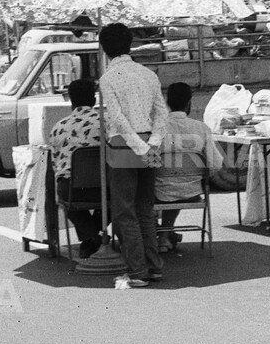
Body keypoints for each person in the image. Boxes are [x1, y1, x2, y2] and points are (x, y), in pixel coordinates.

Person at [98, 23, 168, 287]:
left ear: (104, 49)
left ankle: (138, 271)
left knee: (124, 211)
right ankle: (154, 266)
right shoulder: (148, 74)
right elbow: (161, 113)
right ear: (130, 44)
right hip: (151, 142)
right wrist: (152, 142)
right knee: (145, 209)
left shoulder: (108, 78)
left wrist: (137, 145)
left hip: (123, 146)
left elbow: (116, 117)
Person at [154, 83, 225, 253]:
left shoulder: (157, 128)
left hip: (160, 193)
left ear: (167, 102)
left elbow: (148, 161)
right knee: (176, 187)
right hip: (191, 192)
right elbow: (216, 164)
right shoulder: (201, 128)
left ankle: (163, 235)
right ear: (189, 103)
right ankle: (166, 235)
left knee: (157, 190)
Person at [48, 79, 104, 260]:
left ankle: (92, 239)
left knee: (67, 202)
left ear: (71, 101)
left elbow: (56, 165)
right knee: (115, 199)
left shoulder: (58, 128)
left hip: (73, 191)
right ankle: (96, 239)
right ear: (94, 100)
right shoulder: (107, 123)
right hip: (105, 189)